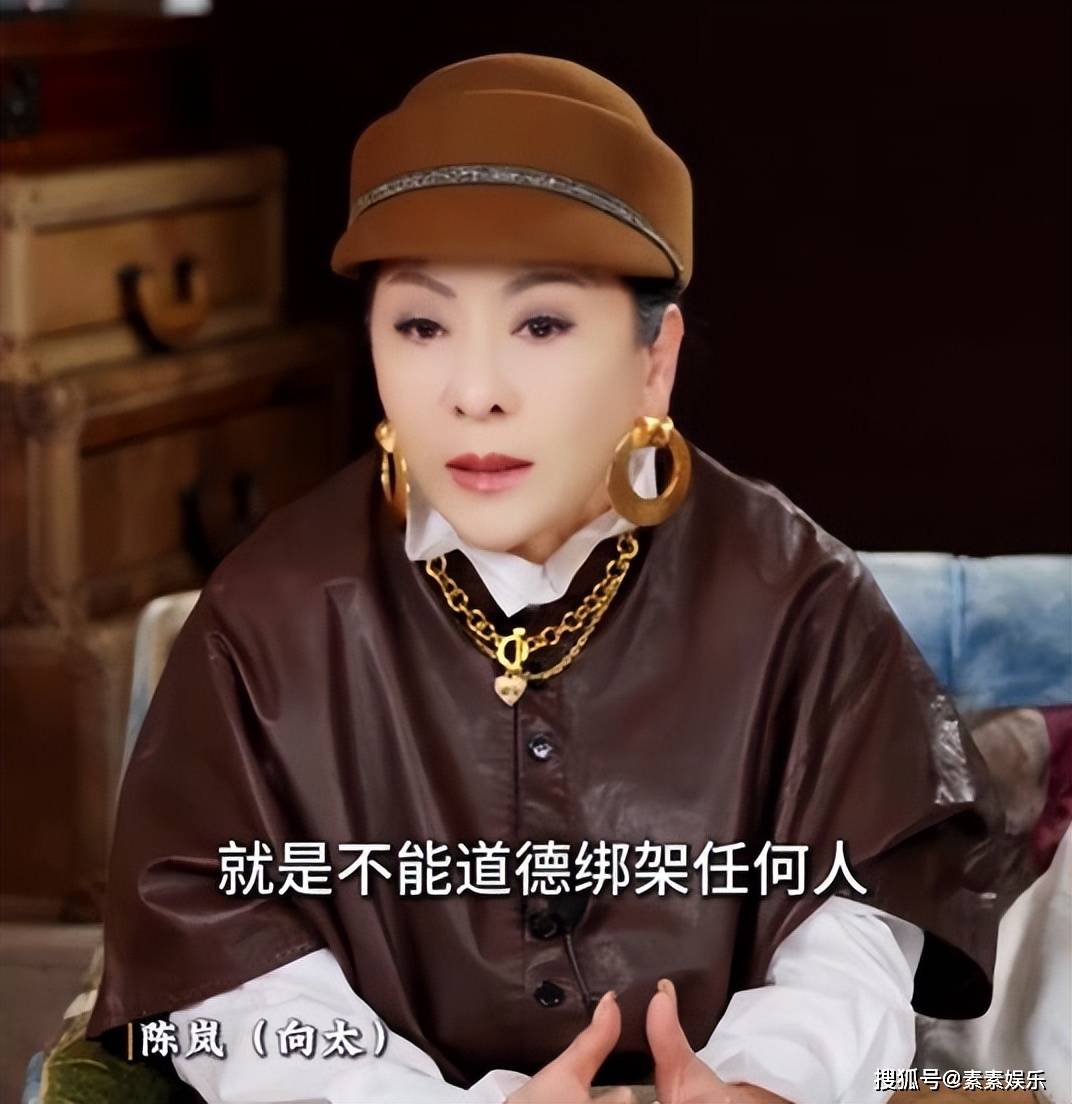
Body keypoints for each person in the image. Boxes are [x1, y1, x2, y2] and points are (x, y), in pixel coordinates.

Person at [85, 53, 1017, 1104]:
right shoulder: (269, 613)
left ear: (653, 359)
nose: (475, 392)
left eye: (541, 325)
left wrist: (766, 1082)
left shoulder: (799, 598)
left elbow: (863, 902)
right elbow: (218, 951)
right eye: (422, 325)